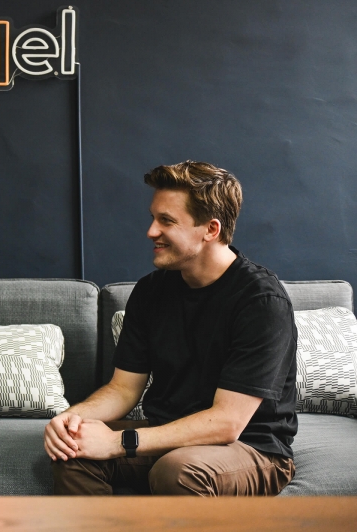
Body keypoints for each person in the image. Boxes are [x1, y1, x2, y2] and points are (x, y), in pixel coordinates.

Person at [45, 160, 297, 496]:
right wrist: (70, 420)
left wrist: (121, 441)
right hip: (167, 432)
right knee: (72, 451)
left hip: (252, 448)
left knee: (177, 471)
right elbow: (122, 390)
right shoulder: (151, 291)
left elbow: (227, 423)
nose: (151, 231)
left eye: (166, 221)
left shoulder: (261, 301)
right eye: (153, 217)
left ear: (211, 229)